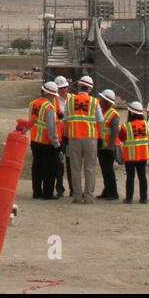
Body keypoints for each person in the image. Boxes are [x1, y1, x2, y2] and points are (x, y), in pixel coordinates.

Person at [64, 75, 103, 204]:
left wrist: (65, 137)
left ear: (79, 86)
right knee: (90, 168)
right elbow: (100, 121)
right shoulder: (94, 102)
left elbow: (66, 121)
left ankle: (77, 196)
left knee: (75, 168)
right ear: (90, 89)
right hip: (91, 138)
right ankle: (89, 196)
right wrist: (101, 138)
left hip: (74, 137)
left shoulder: (70, 101)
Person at [28, 81, 61, 200]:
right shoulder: (49, 107)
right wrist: (57, 144)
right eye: (53, 95)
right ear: (48, 94)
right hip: (47, 143)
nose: (54, 98)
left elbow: (31, 122)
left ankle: (37, 192)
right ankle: (48, 193)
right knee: (49, 170)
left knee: (37, 167)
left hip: (34, 140)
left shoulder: (33, 104)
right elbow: (52, 129)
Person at [121, 101, 149, 203]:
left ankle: (129, 198)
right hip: (143, 155)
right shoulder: (146, 125)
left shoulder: (125, 126)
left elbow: (122, 138)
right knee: (142, 177)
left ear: (131, 113)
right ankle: (144, 198)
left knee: (130, 177)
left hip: (130, 156)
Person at [97, 88, 123, 200]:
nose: (99, 100)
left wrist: (110, 146)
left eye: (101, 99)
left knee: (108, 170)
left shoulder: (113, 114)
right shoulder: (102, 111)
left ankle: (113, 193)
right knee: (105, 169)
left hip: (109, 146)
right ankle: (107, 190)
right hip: (103, 145)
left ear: (106, 101)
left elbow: (115, 131)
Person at [53, 75, 71, 197]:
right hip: (59, 137)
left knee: (72, 163)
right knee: (59, 164)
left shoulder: (72, 99)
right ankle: (60, 188)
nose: (63, 90)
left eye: (64, 88)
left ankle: (73, 188)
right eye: (60, 88)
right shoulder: (53, 101)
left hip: (71, 135)